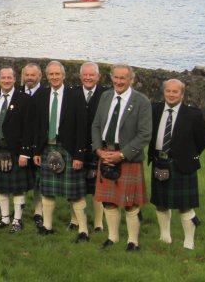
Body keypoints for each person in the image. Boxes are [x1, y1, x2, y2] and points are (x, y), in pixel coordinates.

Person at [91, 63, 152, 252]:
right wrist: (99, 151)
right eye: (116, 78)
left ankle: (133, 242)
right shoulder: (105, 96)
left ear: (131, 80)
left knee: (130, 203)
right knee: (108, 201)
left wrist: (122, 154)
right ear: (111, 78)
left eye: (123, 78)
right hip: (106, 152)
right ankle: (113, 238)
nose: (119, 81)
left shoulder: (141, 101)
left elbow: (145, 134)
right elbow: (96, 126)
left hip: (128, 156)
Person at [148, 79, 205, 250]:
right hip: (160, 160)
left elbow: (203, 138)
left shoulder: (193, 114)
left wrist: (189, 155)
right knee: (161, 202)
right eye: (168, 91)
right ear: (164, 92)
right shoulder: (156, 109)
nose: (171, 94)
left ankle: (189, 240)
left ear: (182, 94)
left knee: (185, 206)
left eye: (175, 92)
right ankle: (164, 236)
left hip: (181, 164)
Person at [32, 61, 90, 241]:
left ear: (64, 76)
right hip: (46, 147)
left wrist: (79, 154)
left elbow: (82, 127)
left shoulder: (75, 96)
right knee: (47, 191)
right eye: (51, 74)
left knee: (75, 194)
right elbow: (37, 126)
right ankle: (47, 226)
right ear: (47, 76)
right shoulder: (40, 95)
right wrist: (35, 151)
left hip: (68, 149)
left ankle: (83, 230)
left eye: (58, 74)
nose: (55, 77)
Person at [0, 66, 34, 233]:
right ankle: (5, 218)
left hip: (16, 150)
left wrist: (25, 153)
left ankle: (17, 220)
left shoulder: (24, 99)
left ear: (14, 79)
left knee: (18, 189)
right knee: (1, 187)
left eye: (9, 78)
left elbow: (28, 128)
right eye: (3, 78)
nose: (6, 81)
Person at [71, 61, 107, 233]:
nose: (88, 78)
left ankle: (99, 222)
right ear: (80, 77)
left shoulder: (106, 94)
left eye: (91, 75)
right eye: (85, 75)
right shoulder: (73, 93)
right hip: (76, 146)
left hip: (98, 146)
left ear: (98, 77)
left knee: (97, 186)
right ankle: (75, 220)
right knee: (76, 185)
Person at [21, 62, 44, 225]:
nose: (29, 78)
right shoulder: (17, 93)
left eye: (32, 75)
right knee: (22, 179)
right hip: (21, 143)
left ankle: (38, 211)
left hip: (40, 143)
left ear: (40, 76)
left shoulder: (46, 94)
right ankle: (19, 210)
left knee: (39, 180)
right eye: (27, 75)